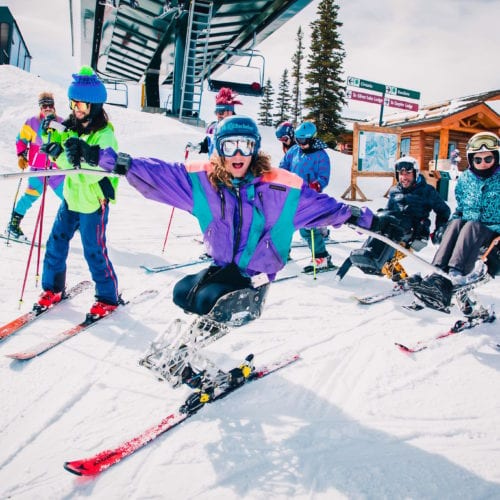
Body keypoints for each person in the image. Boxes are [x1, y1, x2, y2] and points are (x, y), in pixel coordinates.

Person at [65, 115, 398, 321]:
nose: (238, 154)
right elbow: (156, 172)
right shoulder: (203, 184)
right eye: (229, 146)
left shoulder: (278, 191)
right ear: (218, 149)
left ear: (254, 148)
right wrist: (102, 158)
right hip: (223, 265)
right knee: (184, 293)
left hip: (255, 276)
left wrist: (372, 221)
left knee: (211, 299)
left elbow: (327, 207)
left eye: (245, 145)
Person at [36, 66, 121, 318]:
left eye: (81, 105)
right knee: (56, 242)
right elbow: (60, 150)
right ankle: (52, 288)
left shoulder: (105, 136)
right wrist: (49, 139)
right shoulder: (71, 127)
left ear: (94, 106)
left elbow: (91, 170)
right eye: (73, 103)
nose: (76, 110)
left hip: (93, 200)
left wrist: (65, 157)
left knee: (93, 249)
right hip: (71, 198)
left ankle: (108, 296)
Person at [409, 131, 500, 311]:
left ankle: (454, 275)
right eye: (478, 160)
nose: (483, 164)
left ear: (496, 158)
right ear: (471, 160)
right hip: (468, 229)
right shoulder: (466, 179)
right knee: (457, 223)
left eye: (488, 159)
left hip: (493, 232)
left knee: (472, 225)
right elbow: (459, 210)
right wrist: (447, 226)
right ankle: (436, 275)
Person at [346, 156, 451, 281]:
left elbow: (444, 210)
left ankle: (381, 262)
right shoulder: (394, 191)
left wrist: (440, 228)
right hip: (395, 230)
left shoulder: (427, 191)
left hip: (415, 232)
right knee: (381, 220)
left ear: (416, 173)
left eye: (408, 173)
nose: (404, 177)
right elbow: (388, 212)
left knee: (387, 231)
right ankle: (372, 257)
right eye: (401, 173)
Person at [5, 92, 65, 240]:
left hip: (57, 170)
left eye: (50, 105)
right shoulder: (32, 122)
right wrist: (21, 155)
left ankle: (74, 224)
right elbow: (21, 140)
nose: (48, 108)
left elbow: (67, 141)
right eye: (44, 105)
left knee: (68, 196)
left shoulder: (61, 122)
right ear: (40, 107)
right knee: (29, 196)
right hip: (38, 169)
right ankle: (13, 225)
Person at [279, 121, 332, 272]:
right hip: (291, 195)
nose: (300, 144)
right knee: (284, 225)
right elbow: (284, 165)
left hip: (309, 197)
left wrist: (317, 185)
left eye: (303, 141)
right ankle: (282, 253)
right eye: (297, 140)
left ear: (312, 139)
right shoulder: (294, 151)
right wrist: (281, 177)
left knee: (307, 229)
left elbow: (324, 177)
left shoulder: (321, 156)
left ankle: (322, 258)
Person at [186, 87, 242, 157]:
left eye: (221, 112)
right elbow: (207, 145)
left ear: (230, 112)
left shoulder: (239, 129)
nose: (218, 115)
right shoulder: (214, 129)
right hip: (215, 165)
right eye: (216, 112)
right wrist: (196, 147)